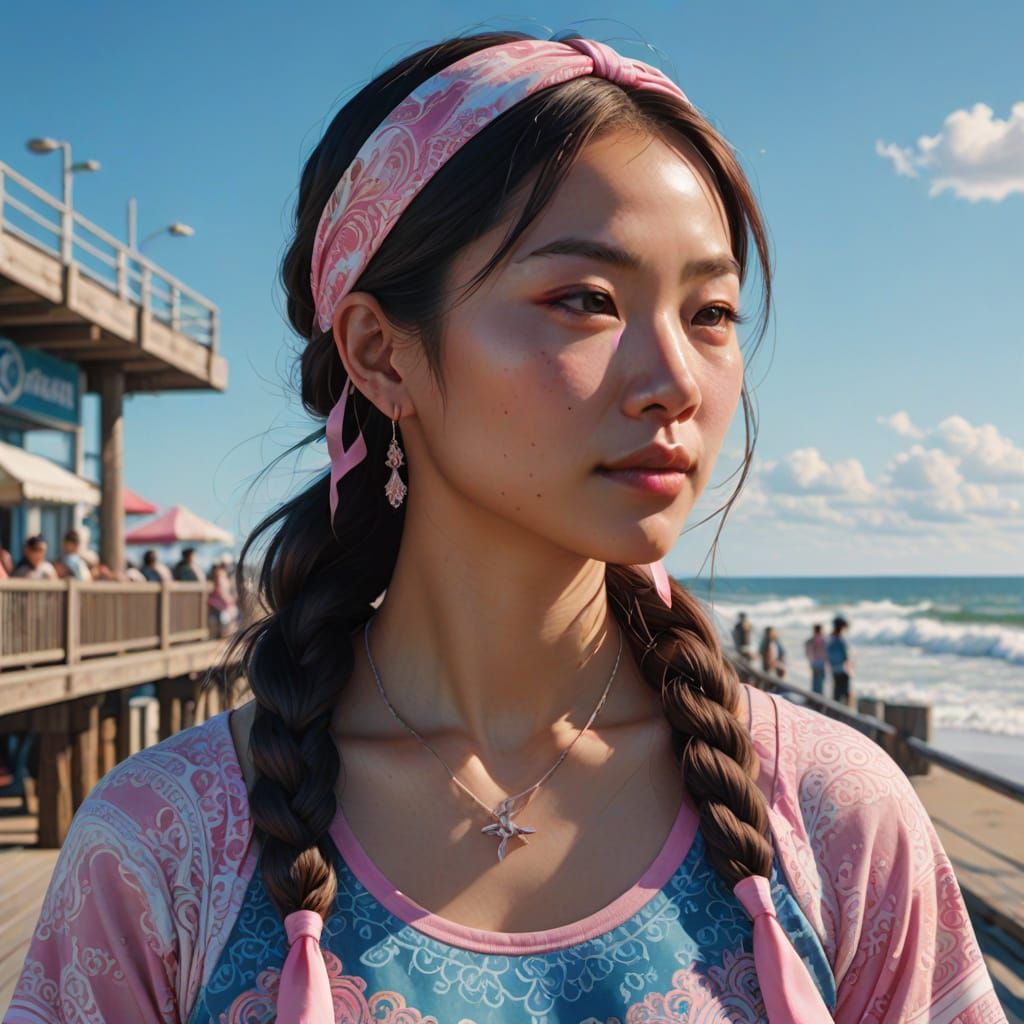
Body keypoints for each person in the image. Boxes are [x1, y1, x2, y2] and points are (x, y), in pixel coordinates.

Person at [7, 32, 1002, 1024]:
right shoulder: (163, 850)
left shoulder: (834, 818)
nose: (676, 383)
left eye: (710, 312)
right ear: (380, 352)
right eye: (585, 300)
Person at [207, 562, 240, 638]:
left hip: (224, 602)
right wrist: (229, 599)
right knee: (227, 615)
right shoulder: (220, 576)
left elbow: (225, 591)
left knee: (232, 613)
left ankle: (228, 631)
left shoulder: (223, 576)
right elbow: (220, 591)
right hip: (219, 603)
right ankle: (225, 632)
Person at [827, 616, 854, 706]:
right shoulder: (841, 640)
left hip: (834, 670)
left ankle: (835, 713)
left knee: (836, 694)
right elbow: (846, 657)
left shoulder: (830, 639)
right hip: (843, 670)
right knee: (846, 694)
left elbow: (828, 655)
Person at [804, 623, 828, 696]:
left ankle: (814, 698)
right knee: (821, 683)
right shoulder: (824, 640)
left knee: (815, 682)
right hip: (821, 664)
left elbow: (807, 650)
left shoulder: (811, 640)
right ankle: (820, 698)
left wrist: (810, 659)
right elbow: (827, 652)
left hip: (814, 663)